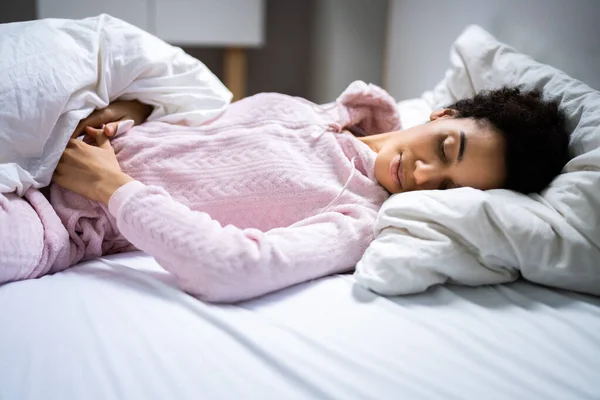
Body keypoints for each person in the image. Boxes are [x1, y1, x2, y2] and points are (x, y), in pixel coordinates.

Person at [0, 82, 569, 302]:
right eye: (444, 149)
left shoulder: (357, 219)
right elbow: (191, 120)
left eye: (445, 188)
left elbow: (232, 268)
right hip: (49, 138)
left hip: (53, 223)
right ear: (442, 115)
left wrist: (110, 185)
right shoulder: (315, 111)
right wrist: (117, 121)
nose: (420, 176)